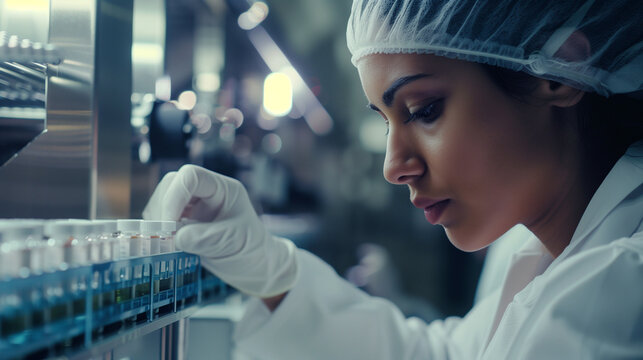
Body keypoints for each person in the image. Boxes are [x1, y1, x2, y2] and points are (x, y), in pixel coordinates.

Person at [143, 0, 643, 358]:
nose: (392, 165)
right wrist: (273, 275)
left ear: (557, 73)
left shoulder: (619, 292)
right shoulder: (532, 250)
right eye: (386, 120)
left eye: (424, 110)